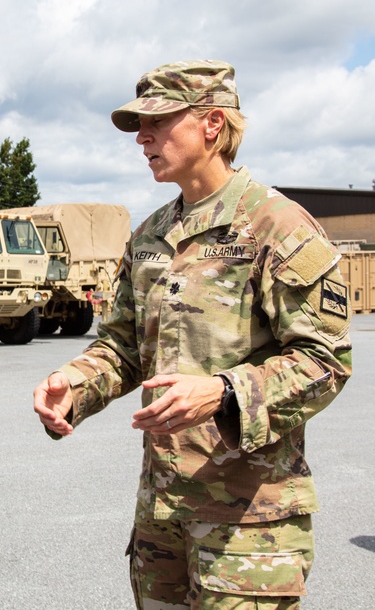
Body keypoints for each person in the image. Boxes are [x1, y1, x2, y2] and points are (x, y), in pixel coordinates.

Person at [33, 60, 352, 609]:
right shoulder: (153, 233)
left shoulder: (277, 225)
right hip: (162, 517)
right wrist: (75, 384)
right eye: (138, 125)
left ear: (212, 124)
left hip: (251, 524)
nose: (143, 137)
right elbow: (123, 345)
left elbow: (324, 361)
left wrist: (224, 393)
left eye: (160, 121)